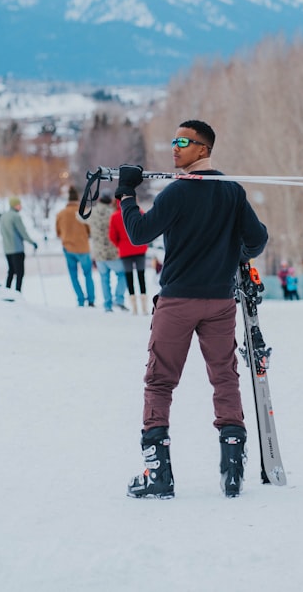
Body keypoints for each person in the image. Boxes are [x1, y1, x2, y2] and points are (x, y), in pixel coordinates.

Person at [117, 119, 268, 499]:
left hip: (178, 301)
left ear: (204, 149)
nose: (175, 147)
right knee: (225, 378)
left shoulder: (176, 193)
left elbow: (138, 233)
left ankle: (158, 476)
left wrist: (125, 194)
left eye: (184, 141)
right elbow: (258, 239)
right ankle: (232, 470)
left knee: (160, 381)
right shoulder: (231, 191)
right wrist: (232, 254)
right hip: (219, 301)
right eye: (174, 140)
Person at [84, 192, 128, 312]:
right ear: (110, 201)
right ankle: (119, 300)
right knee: (122, 275)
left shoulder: (92, 212)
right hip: (113, 252)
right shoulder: (113, 213)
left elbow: (79, 216)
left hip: (99, 253)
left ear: (99, 199)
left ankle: (107, 305)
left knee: (104, 278)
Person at [55, 187, 95, 307]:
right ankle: (91, 300)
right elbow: (90, 230)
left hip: (68, 248)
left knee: (73, 275)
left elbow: (57, 232)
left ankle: (80, 299)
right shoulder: (83, 211)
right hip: (83, 248)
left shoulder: (61, 214)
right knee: (88, 274)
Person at [109, 198, 150, 314]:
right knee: (141, 276)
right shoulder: (139, 212)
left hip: (124, 250)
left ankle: (134, 307)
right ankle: (144, 306)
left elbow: (112, 236)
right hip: (140, 248)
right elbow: (146, 228)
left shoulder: (114, 216)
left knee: (129, 277)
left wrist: (120, 245)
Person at [0, 196, 37, 293]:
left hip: (7, 249)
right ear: (15, 205)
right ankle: (17, 293)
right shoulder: (16, 216)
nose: (21, 206)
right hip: (17, 249)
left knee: (11, 271)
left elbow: (2, 233)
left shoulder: (3, 217)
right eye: (19, 204)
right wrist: (32, 243)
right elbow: (23, 232)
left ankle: (7, 291)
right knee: (19, 273)